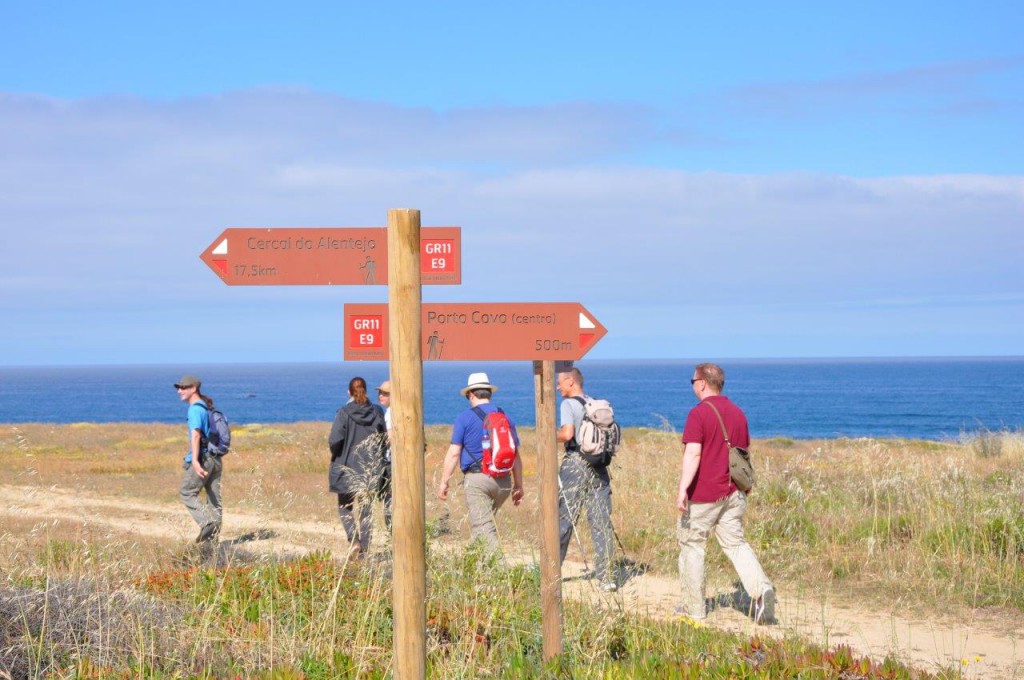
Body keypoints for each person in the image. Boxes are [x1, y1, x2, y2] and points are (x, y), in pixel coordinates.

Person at [675, 363, 775, 624]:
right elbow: (743, 453)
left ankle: (693, 608)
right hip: (734, 493)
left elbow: (693, 453)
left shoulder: (698, 414)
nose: (693, 385)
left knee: (692, 545)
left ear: (702, 383)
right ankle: (762, 590)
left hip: (704, 494)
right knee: (736, 544)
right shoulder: (738, 413)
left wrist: (683, 488)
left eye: (693, 380)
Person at [437, 372, 524, 554]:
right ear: (489, 393)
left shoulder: (464, 418)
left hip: (478, 481)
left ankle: (500, 575)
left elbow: (454, 453)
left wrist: (444, 481)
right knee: (482, 525)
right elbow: (515, 455)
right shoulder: (505, 417)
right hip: (504, 482)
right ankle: (476, 568)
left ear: (471, 394)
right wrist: (518, 485)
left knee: (484, 528)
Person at [556, 367, 617, 591]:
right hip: (599, 464)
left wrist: (548, 434)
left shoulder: (568, 404)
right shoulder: (594, 403)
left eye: (560, 382)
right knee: (601, 520)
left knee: (564, 518)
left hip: (576, 462)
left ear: (571, 382)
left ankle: (552, 571)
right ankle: (606, 577)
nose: (557, 386)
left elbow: (567, 434)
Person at [329, 376, 387, 557]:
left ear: (349, 392)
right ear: (366, 390)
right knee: (366, 510)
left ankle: (354, 541)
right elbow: (383, 439)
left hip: (346, 466)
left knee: (345, 506)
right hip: (370, 468)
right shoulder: (377, 411)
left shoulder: (344, 413)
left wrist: (338, 453)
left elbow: (334, 440)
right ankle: (366, 549)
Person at [174, 375, 223, 544]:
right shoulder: (206, 407)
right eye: (178, 387)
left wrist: (194, 461)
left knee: (187, 492)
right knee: (214, 499)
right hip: (215, 458)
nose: (179, 391)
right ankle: (212, 542)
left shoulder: (195, 409)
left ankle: (206, 522)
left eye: (183, 387)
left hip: (202, 458)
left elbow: (195, 436)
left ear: (193, 388)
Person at [376, 379, 393, 532]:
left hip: (392, 463)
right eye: (380, 393)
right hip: (388, 461)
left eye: (385, 393)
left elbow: (392, 436)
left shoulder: (392, 413)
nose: (380, 396)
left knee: (390, 502)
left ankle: (393, 535)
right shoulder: (388, 412)